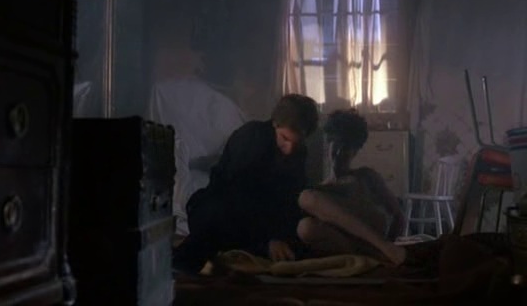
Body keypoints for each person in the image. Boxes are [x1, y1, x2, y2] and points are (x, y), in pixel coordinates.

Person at [172, 94, 319, 273]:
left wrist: (282, 235)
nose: (289, 150)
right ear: (275, 124)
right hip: (227, 210)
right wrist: (267, 240)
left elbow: (290, 198)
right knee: (213, 224)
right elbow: (236, 195)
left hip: (265, 220)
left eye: (296, 143)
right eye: (285, 139)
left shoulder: (298, 153)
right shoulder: (252, 137)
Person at [297, 109, 407, 266]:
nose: (339, 153)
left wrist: (391, 241)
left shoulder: (366, 177)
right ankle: (374, 253)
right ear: (328, 144)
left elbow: (398, 215)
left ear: (355, 150)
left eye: (346, 148)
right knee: (305, 222)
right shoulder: (320, 192)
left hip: (377, 238)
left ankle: (382, 248)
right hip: (348, 246)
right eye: (336, 145)